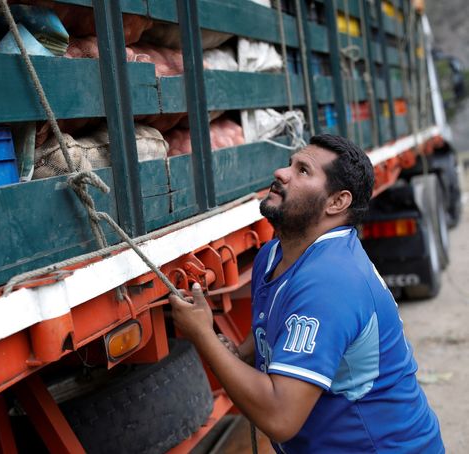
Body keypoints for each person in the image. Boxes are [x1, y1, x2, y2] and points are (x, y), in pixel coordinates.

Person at [170, 134, 444, 453]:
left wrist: (202, 335)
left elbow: (280, 418)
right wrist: (235, 351)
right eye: (290, 164)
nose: (281, 173)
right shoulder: (272, 256)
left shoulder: (331, 282)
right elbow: (262, 338)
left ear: (336, 202)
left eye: (303, 171)